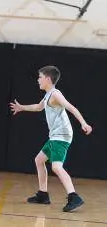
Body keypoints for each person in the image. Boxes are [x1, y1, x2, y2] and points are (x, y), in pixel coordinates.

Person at [10, 65, 92, 212]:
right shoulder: (48, 95)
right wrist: (21, 107)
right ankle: (43, 195)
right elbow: (38, 107)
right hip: (55, 136)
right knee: (39, 160)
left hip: (61, 136)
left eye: (40, 77)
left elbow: (71, 107)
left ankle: (74, 196)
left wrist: (83, 123)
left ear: (48, 79)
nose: (38, 80)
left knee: (56, 166)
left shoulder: (55, 94)